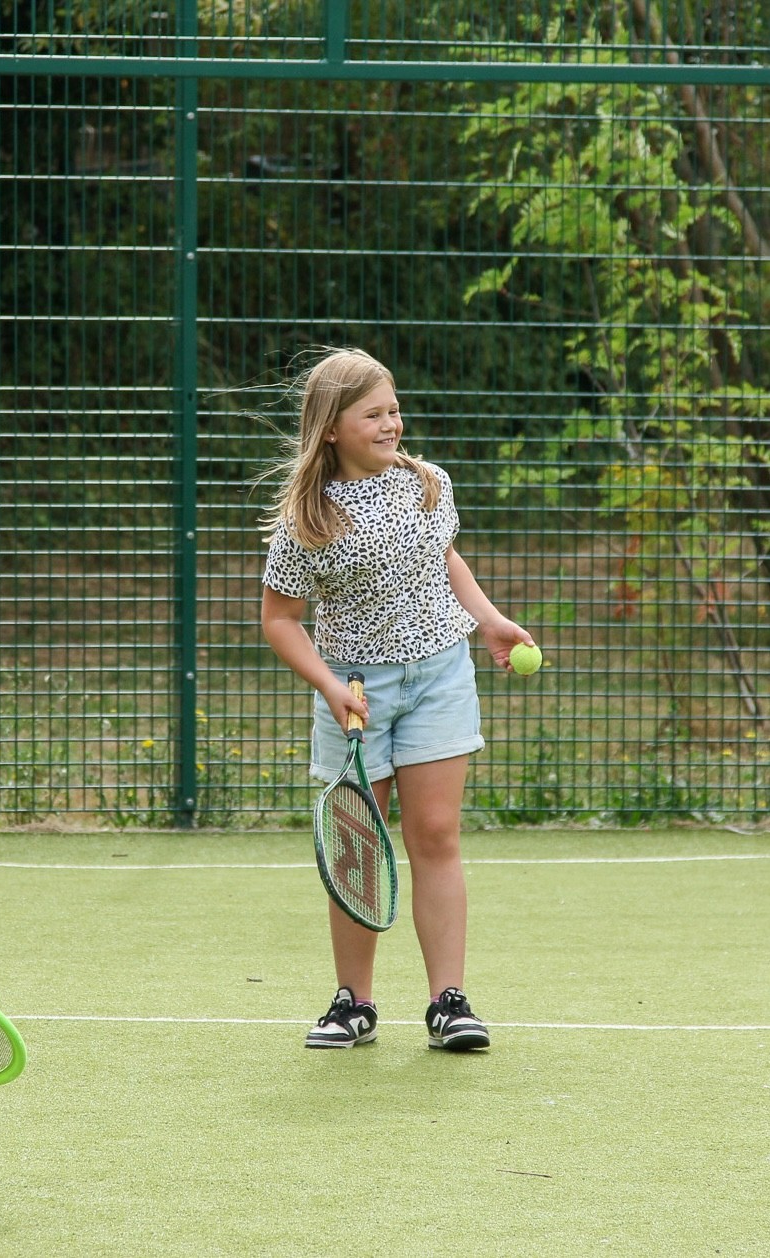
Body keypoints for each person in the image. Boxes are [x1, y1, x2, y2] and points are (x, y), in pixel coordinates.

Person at [260, 348, 533, 1053]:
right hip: (354, 690)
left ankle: (449, 1002)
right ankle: (353, 1003)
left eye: (393, 410)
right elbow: (279, 619)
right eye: (373, 414)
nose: (391, 424)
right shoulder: (307, 518)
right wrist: (328, 686)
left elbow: (443, 560)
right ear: (331, 428)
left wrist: (489, 620)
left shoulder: (428, 483)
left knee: (435, 836)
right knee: (358, 848)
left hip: (441, 675)